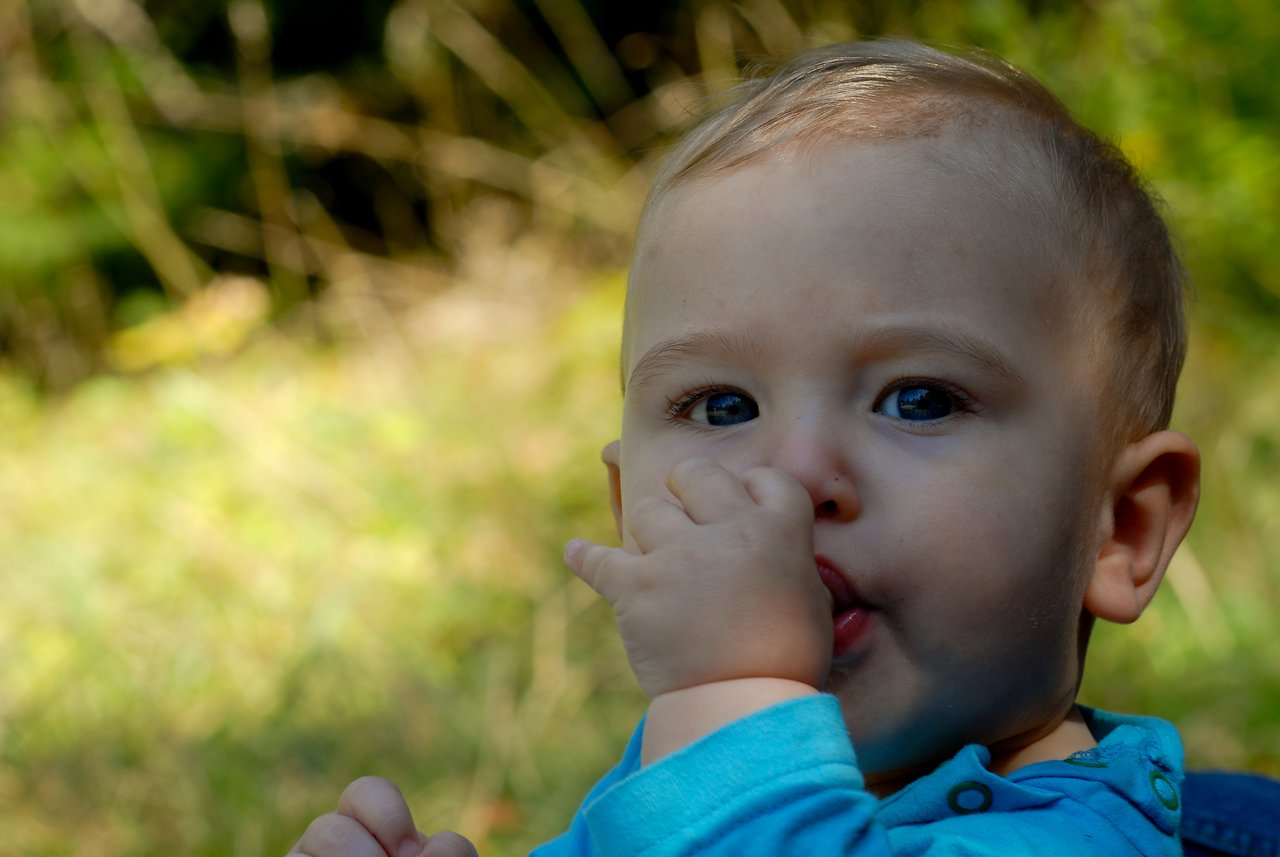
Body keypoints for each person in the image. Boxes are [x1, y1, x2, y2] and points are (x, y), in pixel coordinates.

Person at [287, 39, 1202, 856]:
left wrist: (733, 691)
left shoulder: (1070, 837)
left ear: (1118, 527)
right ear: (630, 512)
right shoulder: (691, 754)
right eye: (722, 405)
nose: (793, 476)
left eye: (917, 399)